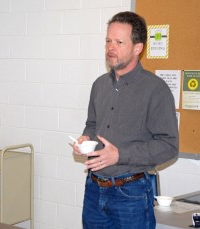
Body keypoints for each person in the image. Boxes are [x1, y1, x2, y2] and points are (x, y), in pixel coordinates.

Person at [72, 11, 178, 229]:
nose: (111, 47)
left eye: (119, 42)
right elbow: (93, 124)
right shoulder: (99, 85)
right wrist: (85, 139)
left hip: (131, 194)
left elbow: (169, 146)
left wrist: (120, 155)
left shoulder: (156, 90)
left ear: (137, 48)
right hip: (93, 189)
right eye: (108, 41)